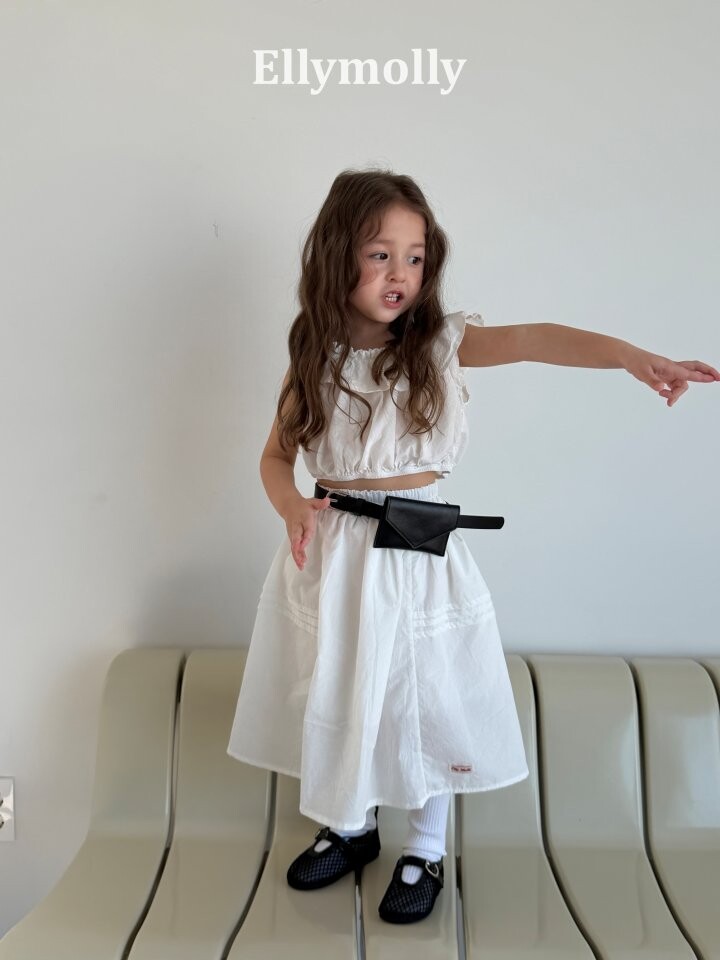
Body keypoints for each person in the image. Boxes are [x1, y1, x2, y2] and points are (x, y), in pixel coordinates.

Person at [227, 168, 719, 924]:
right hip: (334, 555)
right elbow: (273, 456)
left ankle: (425, 846)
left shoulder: (440, 344)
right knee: (345, 682)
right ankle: (351, 825)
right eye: (380, 254)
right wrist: (292, 503)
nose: (400, 273)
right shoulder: (313, 358)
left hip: (416, 548)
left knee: (425, 693)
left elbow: (538, 338)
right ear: (335, 255)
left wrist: (630, 355)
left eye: (415, 257)